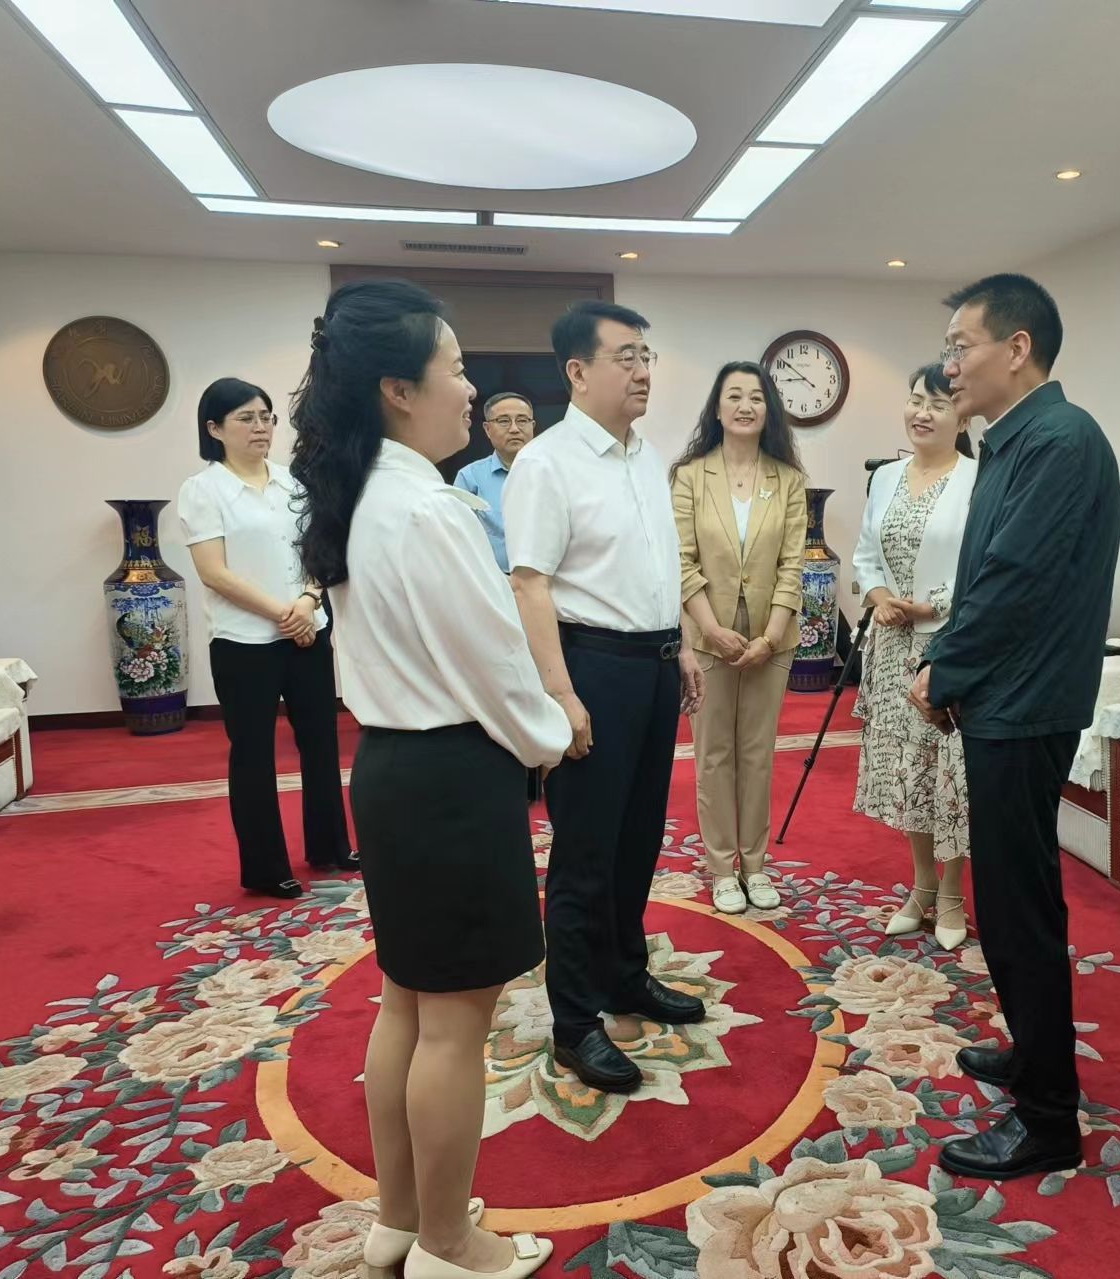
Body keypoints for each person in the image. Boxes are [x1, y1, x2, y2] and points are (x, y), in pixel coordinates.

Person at [291, 279, 563, 1279]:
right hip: (450, 778)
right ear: (399, 390)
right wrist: (550, 734)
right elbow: (494, 664)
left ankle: (401, 1220)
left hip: (392, 770)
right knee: (455, 1024)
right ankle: (450, 1244)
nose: (472, 389)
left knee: (406, 1001)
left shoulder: (363, 493)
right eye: (455, 369)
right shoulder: (427, 509)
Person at [911, 273, 1120, 1182]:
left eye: (962, 346)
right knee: (1009, 898)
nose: (950, 365)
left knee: (1018, 906)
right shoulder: (1016, 439)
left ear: (1018, 347)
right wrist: (954, 665)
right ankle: (1034, 1054)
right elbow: (986, 578)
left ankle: (1046, 1119)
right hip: (1006, 695)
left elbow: (1015, 583)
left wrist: (943, 669)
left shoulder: (1061, 442)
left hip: (1026, 703)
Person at [504, 300, 705, 1096]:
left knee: (637, 837)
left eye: (647, 355)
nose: (644, 371)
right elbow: (530, 583)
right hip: (591, 666)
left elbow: (658, 564)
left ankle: (626, 973)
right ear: (577, 371)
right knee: (586, 853)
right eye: (627, 356)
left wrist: (682, 645)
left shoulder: (645, 456)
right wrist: (560, 691)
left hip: (654, 665)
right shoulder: (547, 462)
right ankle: (574, 1019)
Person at [177, 378, 355, 899]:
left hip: (306, 632)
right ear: (214, 429)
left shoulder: (293, 483)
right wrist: (282, 612)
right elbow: (214, 572)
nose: (260, 427)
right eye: (246, 418)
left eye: (266, 417)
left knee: (321, 743)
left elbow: (317, 551)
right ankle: (264, 867)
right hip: (243, 642)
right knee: (253, 754)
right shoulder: (204, 490)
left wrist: (309, 600)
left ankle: (330, 846)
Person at [669, 362, 807, 915]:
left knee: (757, 754)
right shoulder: (690, 476)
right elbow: (682, 561)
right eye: (734, 396)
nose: (745, 406)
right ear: (717, 407)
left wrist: (769, 638)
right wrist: (709, 628)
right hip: (709, 637)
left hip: (772, 640)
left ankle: (755, 864)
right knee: (713, 755)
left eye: (756, 396)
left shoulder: (788, 479)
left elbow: (793, 566)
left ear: (768, 409)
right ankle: (722, 868)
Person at [850, 364, 978, 948]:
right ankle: (922, 885)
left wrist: (933, 606)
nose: (922, 413)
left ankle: (952, 893)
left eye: (938, 404)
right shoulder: (885, 477)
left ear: (962, 418)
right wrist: (879, 596)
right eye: (916, 400)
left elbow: (983, 565)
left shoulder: (978, 480)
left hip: (946, 645)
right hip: (890, 646)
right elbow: (865, 554)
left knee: (948, 773)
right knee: (907, 773)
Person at [454, 392, 536, 573]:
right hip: (494, 579)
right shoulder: (470, 478)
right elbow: (458, 539)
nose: (514, 429)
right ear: (487, 429)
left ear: (533, 426)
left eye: (522, 420)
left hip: (552, 579)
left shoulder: (554, 472)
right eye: (504, 421)